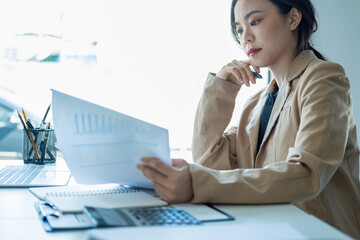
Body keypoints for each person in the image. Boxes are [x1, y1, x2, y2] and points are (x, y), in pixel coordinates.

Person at [137, 0, 360, 238]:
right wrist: (221, 88)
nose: (246, 37)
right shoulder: (257, 104)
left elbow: (307, 175)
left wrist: (196, 184)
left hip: (319, 233)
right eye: (240, 29)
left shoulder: (324, 78)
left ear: (293, 19)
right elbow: (208, 161)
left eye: (255, 21)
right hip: (269, 231)